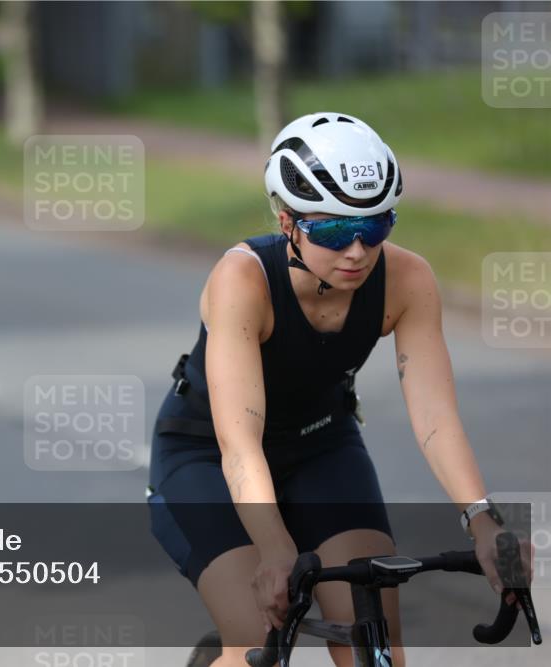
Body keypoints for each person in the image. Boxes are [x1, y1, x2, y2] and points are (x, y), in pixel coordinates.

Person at [146, 112, 533, 667]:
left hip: (321, 447)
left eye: (374, 227)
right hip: (207, 455)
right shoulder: (243, 280)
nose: (356, 251)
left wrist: (484, 522)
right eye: (332, 231)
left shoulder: (407, 280)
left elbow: (435, 417)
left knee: (373, 638)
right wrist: (275, 549)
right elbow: (240, 444)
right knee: (256, 637)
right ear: (287, 221)